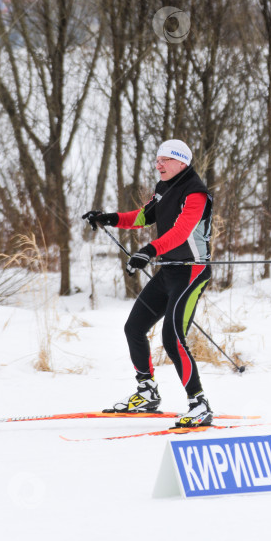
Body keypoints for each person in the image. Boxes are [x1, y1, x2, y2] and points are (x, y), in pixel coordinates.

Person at [82, 139, 213, 427]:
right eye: (157, 159)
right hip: (168, 271)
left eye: (165, 159)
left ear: (182, 162)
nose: (158, 164)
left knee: (172, 337)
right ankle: (147, 392)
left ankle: (199, 403)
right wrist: (108, 218)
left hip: (191, 272)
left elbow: (181, 232)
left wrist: (149, 251)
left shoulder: (195, 193)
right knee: (134, 328)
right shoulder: (164, 187)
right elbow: (143, 216)